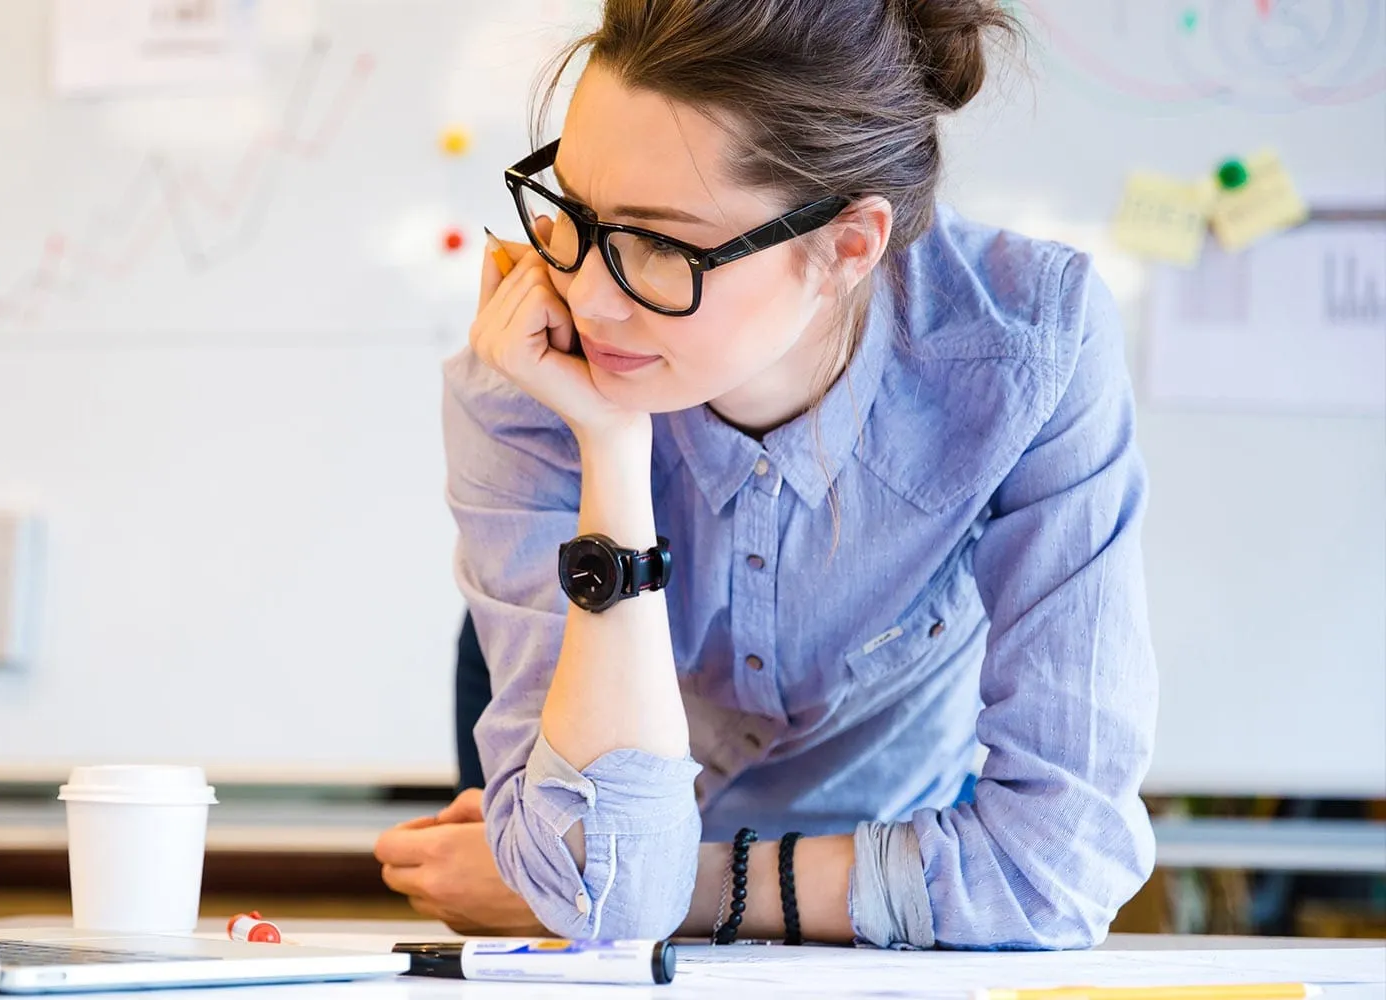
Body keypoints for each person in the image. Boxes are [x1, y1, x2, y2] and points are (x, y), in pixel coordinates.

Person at [373, 0, 1157, 951]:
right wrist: (612, 445)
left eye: (660, 245)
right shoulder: (531, 365)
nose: (583, 296)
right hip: (622, 783)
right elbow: (604, 896)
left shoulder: (1027, 347)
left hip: (892, 842)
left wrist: (687, 885)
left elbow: (1054, 870)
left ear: (847, 246)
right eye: (573, 211)